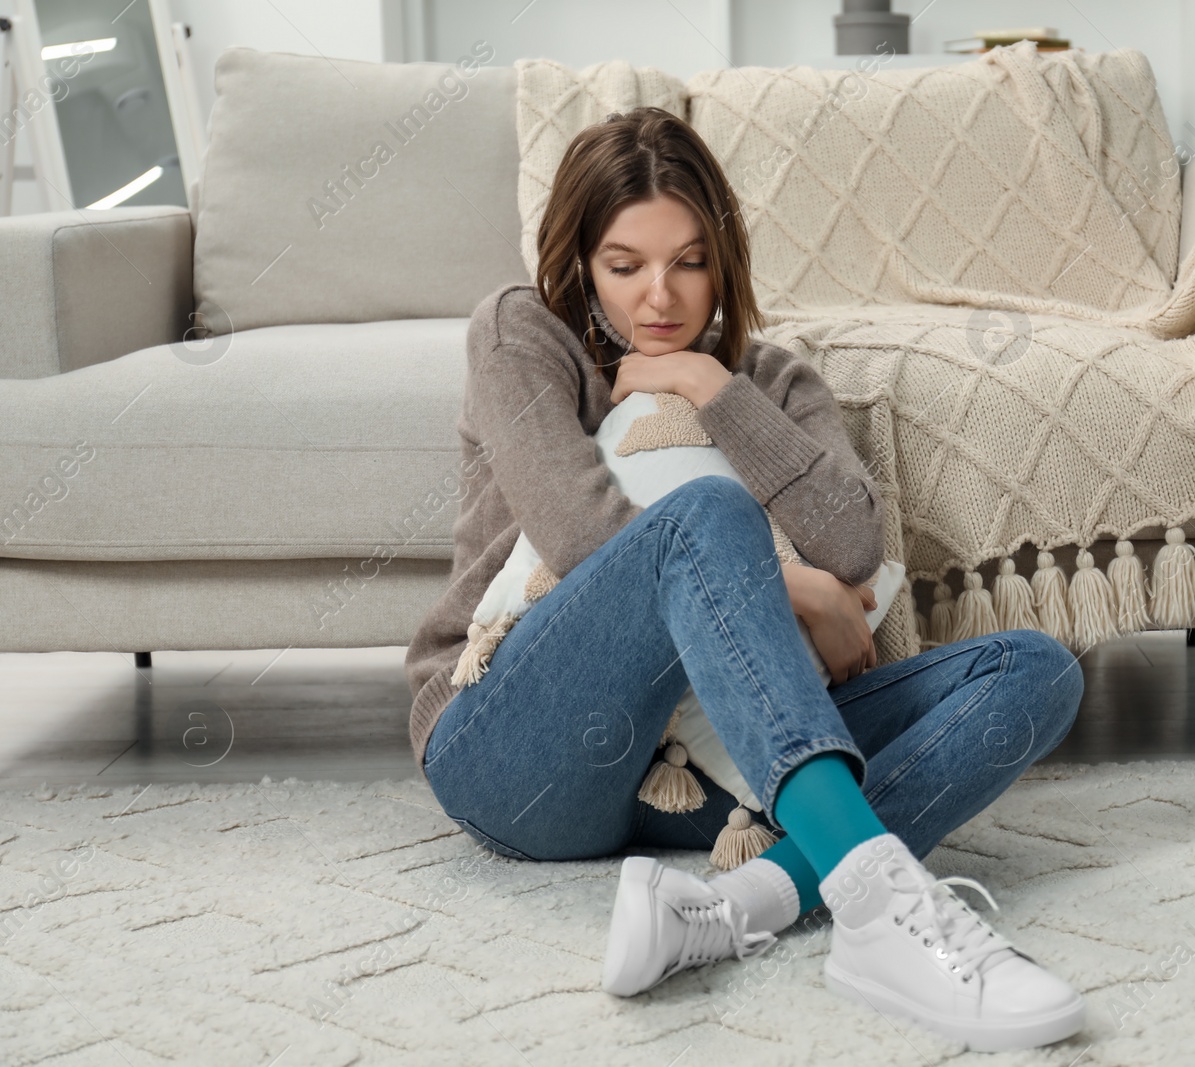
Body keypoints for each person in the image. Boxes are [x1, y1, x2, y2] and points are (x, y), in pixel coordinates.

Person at [403, 106, 1088, 1053]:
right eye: (624, 263)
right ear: (578, 262)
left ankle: (742, 904)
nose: (659, 297)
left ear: (723, 260)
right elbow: (580, 531)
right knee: (710, 517)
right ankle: (881, 908)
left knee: (1034, 670)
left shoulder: (773, 379)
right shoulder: (525, 333)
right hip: (517, 749)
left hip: (712, 779)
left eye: (689, 260)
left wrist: (708, 388)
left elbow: (851, 542)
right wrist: (796, 591)